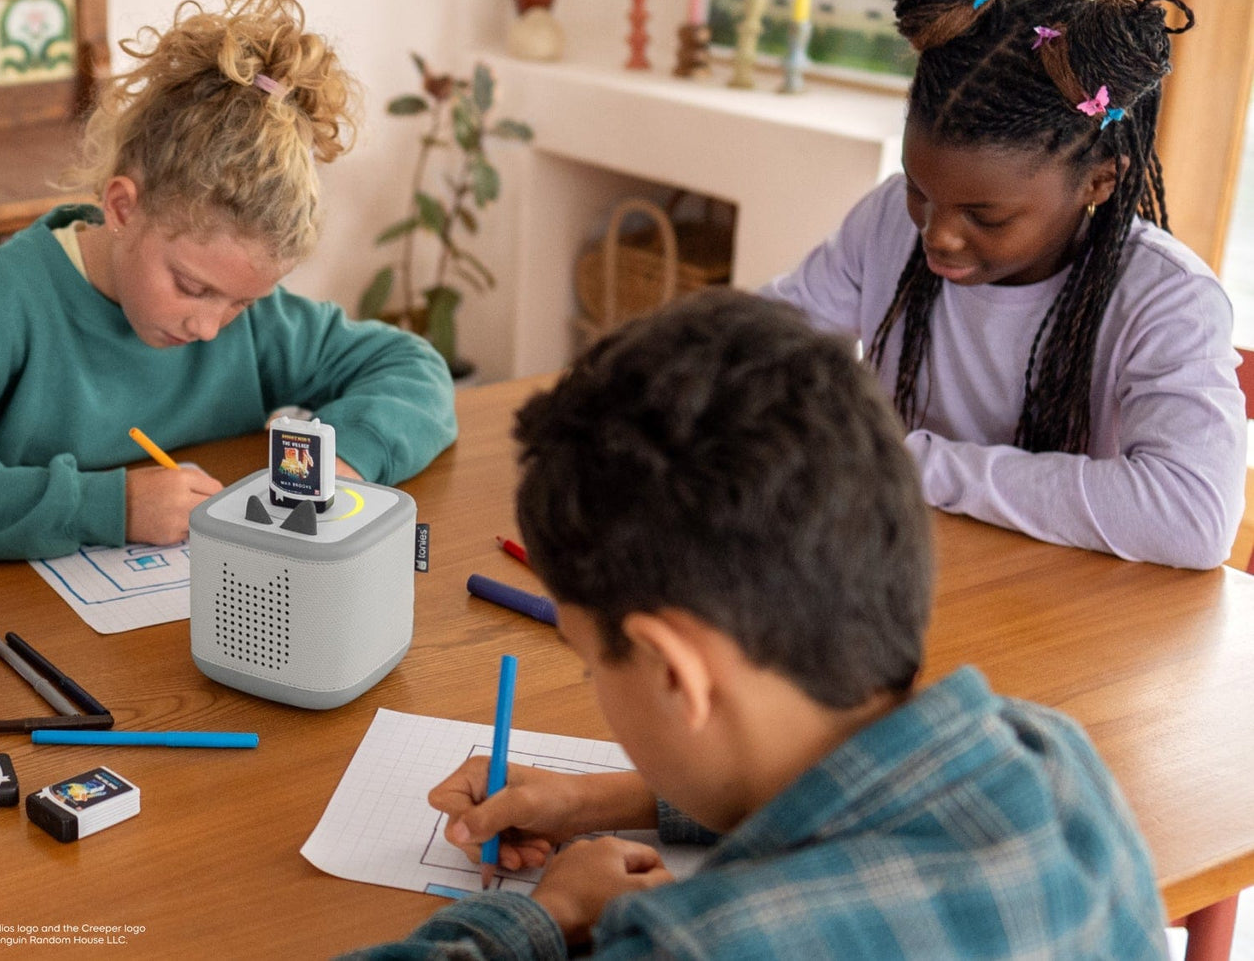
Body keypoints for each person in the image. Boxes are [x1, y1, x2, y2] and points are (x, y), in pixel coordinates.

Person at [345, 289, 1168, 960]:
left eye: (594, 665)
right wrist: (594, 799)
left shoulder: (692, 942)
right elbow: (843, 789)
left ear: (675, 672)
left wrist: (544, 916)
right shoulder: (1058, 761)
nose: (597, 686)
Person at [0, 0, 456, 561]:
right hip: (31, 636)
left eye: (242, 301)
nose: (209, 328)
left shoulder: (253, 320)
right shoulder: (10, 299)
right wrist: (112, 507)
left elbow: (414, 370)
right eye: (192, 287)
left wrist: (346, 461)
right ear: (123, 208)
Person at [760, 0, 1244, 569]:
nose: (937, 235)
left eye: (985, 217)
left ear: (1099, 181)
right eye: (920, 190)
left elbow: (1192, 517)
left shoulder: (1168, 299)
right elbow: (765, 344)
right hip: (900, 569)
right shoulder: (891, 219)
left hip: (1072, 609)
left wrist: (907, 463)